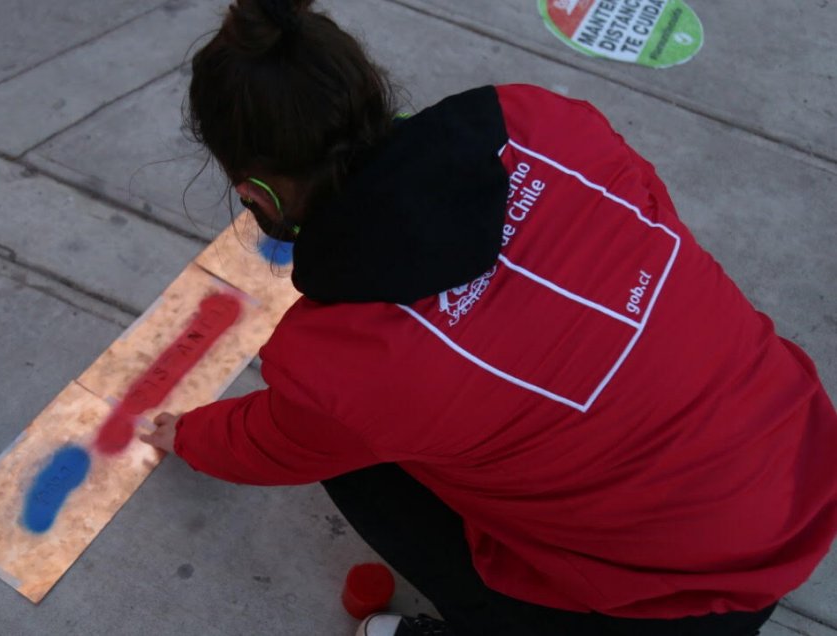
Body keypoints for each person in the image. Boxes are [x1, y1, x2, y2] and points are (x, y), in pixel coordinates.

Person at [139, 1, 837, 634]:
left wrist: (188, 435)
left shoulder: (339, 365)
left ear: (254, 193)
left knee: (356, 465)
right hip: (806, 465)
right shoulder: (545, 123)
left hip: (675, 607)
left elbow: (271, 442)